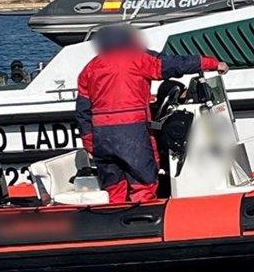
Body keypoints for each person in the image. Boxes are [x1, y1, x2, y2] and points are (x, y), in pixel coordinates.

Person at [75, 24, 228, 204]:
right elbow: (173, 65)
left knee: (114, 186)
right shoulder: (138, 58)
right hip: (131, 133)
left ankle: (115, 218)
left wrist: (89, 142)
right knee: (144, 182)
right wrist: (211, 63)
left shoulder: (89, 69)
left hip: (102, 138)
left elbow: (82, 111)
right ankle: (142, 218)